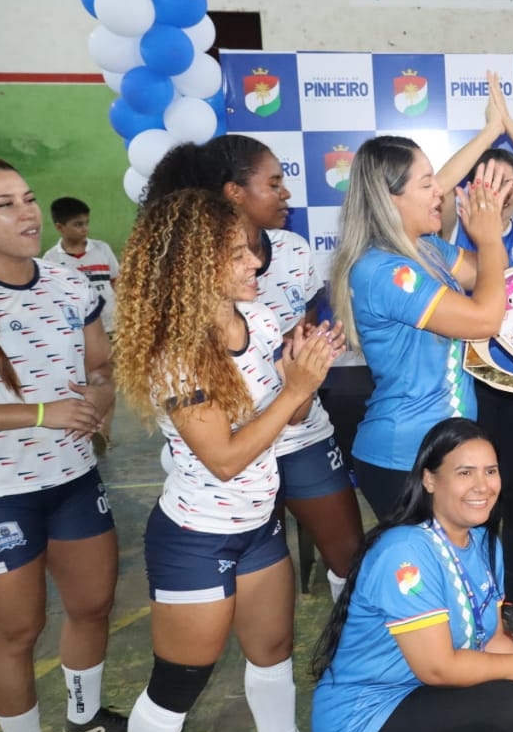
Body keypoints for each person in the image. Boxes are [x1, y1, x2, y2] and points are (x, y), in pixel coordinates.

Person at [116, 187, 342, 732]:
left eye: (251, 250)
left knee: (273, 655)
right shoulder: (177, 354)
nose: (255, 263)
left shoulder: (260, 320)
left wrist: (304, 374)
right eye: (238, 254)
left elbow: (290, 418)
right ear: (193, 267)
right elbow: (224, 460)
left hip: (259, 526)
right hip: (198, 538)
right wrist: (294, 390)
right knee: (178, 685)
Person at [144, 136, 364, 601]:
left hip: (298, 436)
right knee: (256, 570)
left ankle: (352, 637)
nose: (286, 193)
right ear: (234, 192)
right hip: (228, 481)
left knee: (347, 561)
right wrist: (294, 387)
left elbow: (297, 347)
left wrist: (304, 360)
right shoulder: (180, 343)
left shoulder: (286, 264)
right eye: (274, 182)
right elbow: (223, 456)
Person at [310, 418, 513, 732]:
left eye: (491, 471)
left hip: (421, 699)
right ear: (430, 480)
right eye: (465, 472)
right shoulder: (405, 552)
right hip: (363, 725)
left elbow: (493, 639)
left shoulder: (484, 542)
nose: (482, 485)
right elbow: (438, 668)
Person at [0, 155, 124, 732]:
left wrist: (100, 396)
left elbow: (101, 365)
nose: (28, 213)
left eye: (29, 198)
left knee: (92, 605)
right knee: (18, 631)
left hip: (74, 479)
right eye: (5, 204)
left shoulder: (69, 283)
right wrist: (42, 413)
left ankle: (83, 716)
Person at [433, 72, 513, 640]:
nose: (500, 187)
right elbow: (439, 186)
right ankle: (472, 592)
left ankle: (509, 595)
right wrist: (488, 136)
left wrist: (510, 126)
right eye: (488, 177)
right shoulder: (447, 232)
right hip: (466, 385)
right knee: (471, 493)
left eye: (510, 180)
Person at [329, 136, 508, 521]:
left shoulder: (426, 248)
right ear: (390, 198)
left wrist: (490, 238)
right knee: (424, 558)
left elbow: (492, 273)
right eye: (427, 184)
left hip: (446, 446)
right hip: (406, 456)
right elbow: (485, 319)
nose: (439, 191)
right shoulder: (384, 270)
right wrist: (490, 238)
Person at [43, 195, 120, 453]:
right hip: (76, 332)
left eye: (86, 223)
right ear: (60, 227)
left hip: (109, 327)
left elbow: (117, 282)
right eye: (77, 224)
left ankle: (103, 434)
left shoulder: (102, 249)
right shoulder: (52, 260)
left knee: (107, 382)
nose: (84, 229)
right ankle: (88, 428)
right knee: (83, 384)